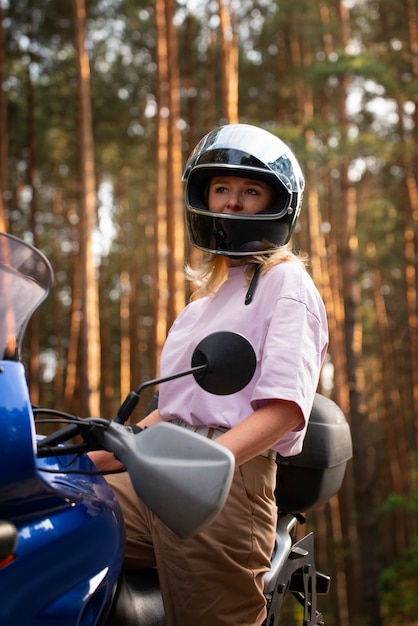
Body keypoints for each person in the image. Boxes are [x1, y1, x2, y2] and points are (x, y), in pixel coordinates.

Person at [91, 123, 329, 626]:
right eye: (222, 189)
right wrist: (96, 456)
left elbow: (286, 408)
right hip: (163, 468)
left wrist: (206, 464)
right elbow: (174, 410)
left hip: (226, 479)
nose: (234, 203)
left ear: (276, 202)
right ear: (205, 197)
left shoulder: (287, 283)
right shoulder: (203, 299)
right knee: (60, 520)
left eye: (250, 190)